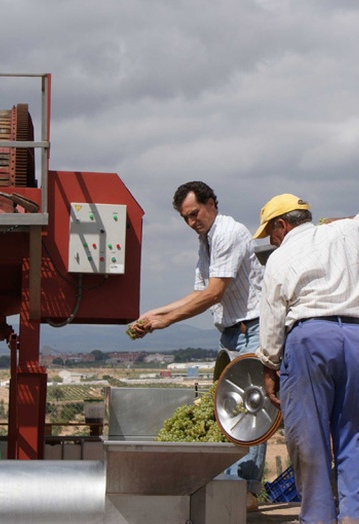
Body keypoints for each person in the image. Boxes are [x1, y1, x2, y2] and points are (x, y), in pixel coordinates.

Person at [130, 180, 266, 511]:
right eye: (186, 218)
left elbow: (214, 293)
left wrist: (168, 321)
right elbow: (198, 291)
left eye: (195, 214)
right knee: (233, 408)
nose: (192, 222)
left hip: (254, 328)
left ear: (210, 204)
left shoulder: (226, 234)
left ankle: (245, 490)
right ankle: (235, 487)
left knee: (253, 408)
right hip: (234, 333)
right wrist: (156, 313)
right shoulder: (206, 242)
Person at [253, 193, 359, 523]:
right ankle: (356, 518)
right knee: (358, 434)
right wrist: (344, 220)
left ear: (282, 225)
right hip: (355, 337)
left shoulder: (281, 258)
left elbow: (271, 317)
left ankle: (317, 518)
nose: (271, 240)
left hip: (309, 338)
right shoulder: (344, 233)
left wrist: (269, 365)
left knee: (308, 437)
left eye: (270, 232)